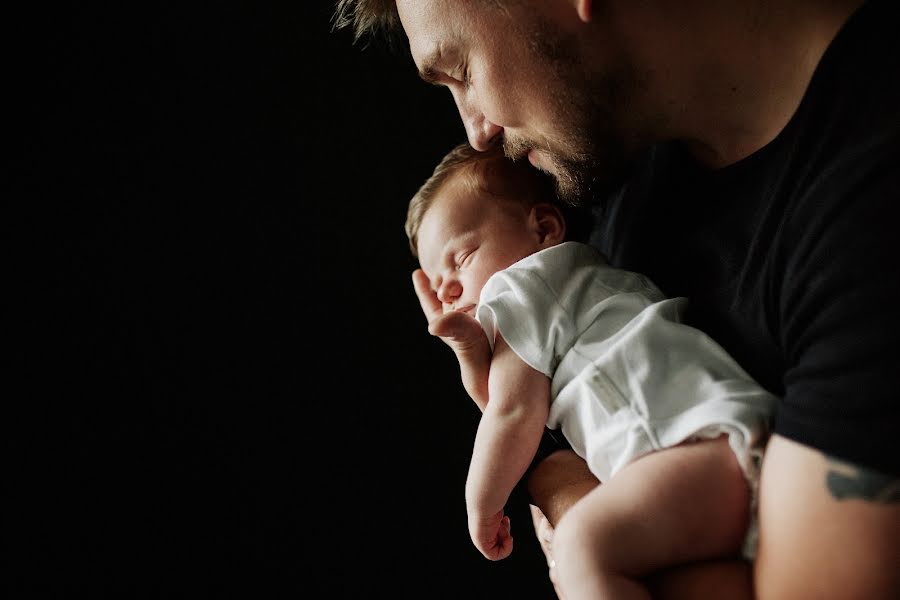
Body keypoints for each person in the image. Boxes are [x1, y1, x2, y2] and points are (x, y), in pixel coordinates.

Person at [335, 1, 900, 597]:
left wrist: (565, 500)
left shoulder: (869, 211)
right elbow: (564, 444)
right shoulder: (624, 175)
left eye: (463, 70)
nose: (476, 131)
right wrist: (551, 465)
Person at [406, 141, 776, 599]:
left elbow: (512, 413)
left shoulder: (522, 288)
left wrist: (481, 506)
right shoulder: (587, 281)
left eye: (460, 259)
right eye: (441, 290)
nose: (452, 290)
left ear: (543, 229)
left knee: (581, 545)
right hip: (727, 446)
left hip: (689, 449)